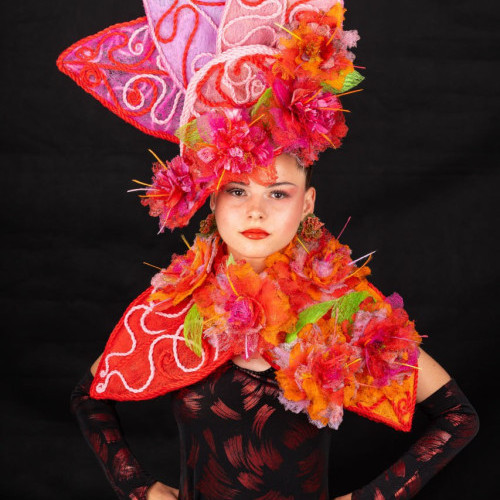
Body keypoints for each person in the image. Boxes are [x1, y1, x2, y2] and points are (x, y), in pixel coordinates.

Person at [61, 2, 479, 499]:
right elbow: (89, 397)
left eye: (278, 193)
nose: (255, 211)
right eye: (237, 190)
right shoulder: (175, 305)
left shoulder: (344, 309)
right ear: (211, 198)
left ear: (307, 204)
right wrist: (139, 488)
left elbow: (457, 417)